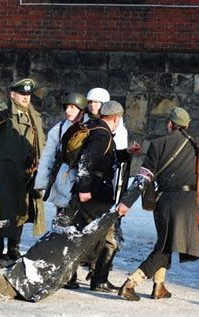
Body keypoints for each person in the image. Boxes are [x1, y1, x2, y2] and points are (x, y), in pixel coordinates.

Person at [116, 107, 199, 301]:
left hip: (163, 201)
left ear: (170, 124)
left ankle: (159, 286)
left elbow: (144, 177)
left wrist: (127, 202)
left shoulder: (157, 144)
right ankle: (130, 284)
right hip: (185, 202)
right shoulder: (197, 146)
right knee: (165, 246)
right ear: (185, 125)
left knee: (166, 242)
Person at [69, 100, 141, 293]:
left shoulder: (94, 127)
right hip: (94, 194)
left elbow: (104, 158)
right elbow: (86, 162)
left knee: (81, 233)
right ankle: (98, 279)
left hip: (91, 191)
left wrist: (125, 153)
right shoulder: (102, 134)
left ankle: (77, 276)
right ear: (117, 118)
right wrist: (84, 190)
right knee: (110, 239)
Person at [0, 78, 45, 267]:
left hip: (25, 173)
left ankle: (13, 249)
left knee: (21, 212)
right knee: (1, 213)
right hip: (2, 172)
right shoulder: (6, 111)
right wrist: (2, 114)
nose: (26, 98)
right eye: (22, 94)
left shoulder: (35, 116)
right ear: (12, 95)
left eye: (28, 94)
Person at [33, 92, 87, 213]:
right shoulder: (59, 129)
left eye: (72, 107)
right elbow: (48, 156)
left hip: (84, 178)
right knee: (62, 214)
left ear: (82, 110)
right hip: (64, 178)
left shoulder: (91, 127)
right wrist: (41, 182)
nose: (68, 111)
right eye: (66, 107)